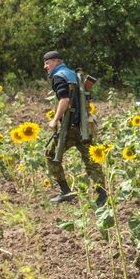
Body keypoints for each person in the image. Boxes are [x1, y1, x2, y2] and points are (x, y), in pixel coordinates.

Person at [43, 51, 107, 206]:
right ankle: (102, 196)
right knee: (90, 159)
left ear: (56, 61)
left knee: (50, 154)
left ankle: (66, 192)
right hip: (85, 126)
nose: (45, 67)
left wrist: (54, 120)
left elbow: (64, 99)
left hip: (70, 127)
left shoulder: (59, 76)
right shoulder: (73, 74)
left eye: (47, 63)